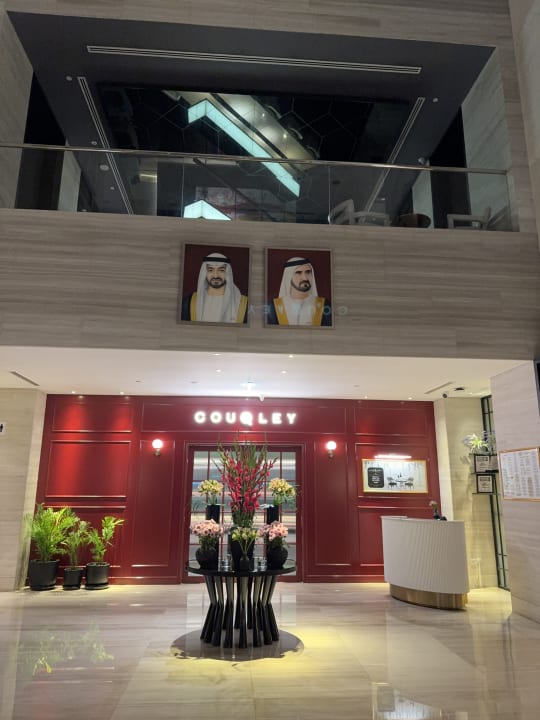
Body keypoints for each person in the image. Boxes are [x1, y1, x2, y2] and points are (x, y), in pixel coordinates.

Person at [181, 252, 248, 323]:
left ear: (227, 273)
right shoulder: (189, 302)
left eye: (221, 270)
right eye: (210, 270)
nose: (216, 275)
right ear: (205, 273)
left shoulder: (243, 304)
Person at [266, 256, 332, 326]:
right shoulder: (273, 307)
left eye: (308, 272)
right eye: (298, 273)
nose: (305, 278)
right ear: (289, 277)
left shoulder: (325, 305)